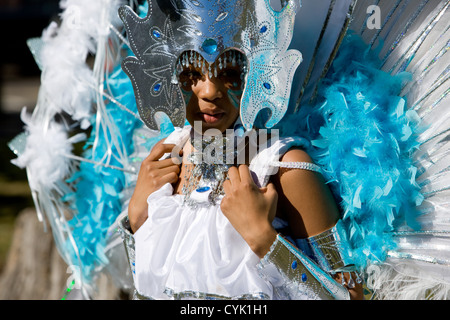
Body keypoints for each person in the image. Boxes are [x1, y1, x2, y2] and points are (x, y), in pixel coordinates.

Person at [118, 8, 364, 298]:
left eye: (230, 73)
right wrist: (136, 221)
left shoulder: (284, 167)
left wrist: (265, 241)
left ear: (257, 71)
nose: (209, 91)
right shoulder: (166, 157)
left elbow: (352, 296)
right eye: (192, 73)